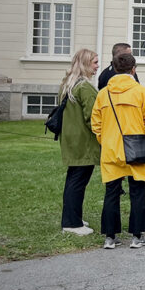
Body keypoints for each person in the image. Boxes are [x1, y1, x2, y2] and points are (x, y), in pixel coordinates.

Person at [90, 53, 145, 249]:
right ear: (133, 69)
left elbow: (96, 124)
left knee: (111, 192)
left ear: (115, 69)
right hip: (137, 147)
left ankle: (110, 237)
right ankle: (137, 236)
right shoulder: (141, 92)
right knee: (137, 192)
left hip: (111, 149)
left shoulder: (103, 93)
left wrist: (106, 141)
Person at [59, 48, 101, 236]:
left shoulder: (69, 83)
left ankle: (72, 218)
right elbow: (93, 118)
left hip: (71, 139)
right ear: (85, 64)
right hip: (83, 142)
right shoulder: (84, 87)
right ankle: (72, 223)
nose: (97, 66)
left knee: (73, 180)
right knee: (77, 182)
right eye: (94, 62)